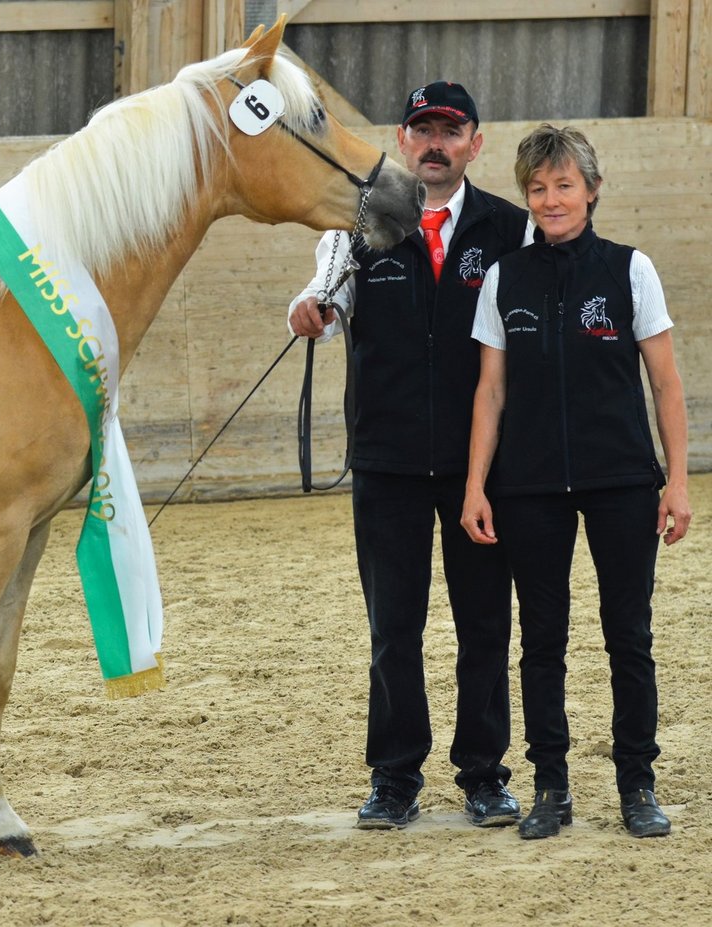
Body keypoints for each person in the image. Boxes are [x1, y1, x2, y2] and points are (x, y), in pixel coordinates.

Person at [288, 81, 529, 829]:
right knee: (395, 626)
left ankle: (485, 773)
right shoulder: (355, 225)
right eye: (423, 129)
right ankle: (394, 778)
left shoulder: (510, 230)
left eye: (450, 131)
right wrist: (309, 312)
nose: (436, 143)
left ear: (475, 144)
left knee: (485, 621)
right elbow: (322, 304)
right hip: (387, 458)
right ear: (402, 139)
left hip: (481, 467)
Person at [461, 124, 690, 840]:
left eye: (564, 185)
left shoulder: (631, 269)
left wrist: (677, 480)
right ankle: (551, 787)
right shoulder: (505, 277)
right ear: (526, 196)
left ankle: (637, 784)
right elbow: (490, 393)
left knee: (630, 635)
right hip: (528, 488)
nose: (551, 199)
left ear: (591, 189)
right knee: (542, 640)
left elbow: (667, 383)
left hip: (621, 480)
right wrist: (476, 485)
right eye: (538, 187)